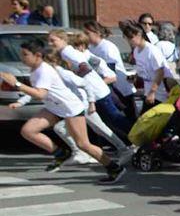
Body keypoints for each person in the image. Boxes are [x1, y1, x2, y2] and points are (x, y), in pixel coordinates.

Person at [1, 39, 126, 183]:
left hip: (70, 109)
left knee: (83, 144)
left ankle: (114, 167)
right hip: (54, 108)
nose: (22, 58)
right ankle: (60, 153)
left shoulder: (44, 70)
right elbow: (36, 91)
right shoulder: (35, 70)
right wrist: (20, 101)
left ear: (37, 55)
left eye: (25, 54)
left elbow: (40, 94)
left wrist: (17, 84)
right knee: (28, 131)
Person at [119, 19, 175, 106]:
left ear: (139, 34)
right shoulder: (136, 51)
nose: (129, 42)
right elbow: (143, 71)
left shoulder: (152, 51)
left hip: (161, 93)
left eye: (131, 38)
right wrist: (135, 77)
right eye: (127, 39)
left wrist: (152, 92)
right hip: (148, 92)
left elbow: (160, 72)